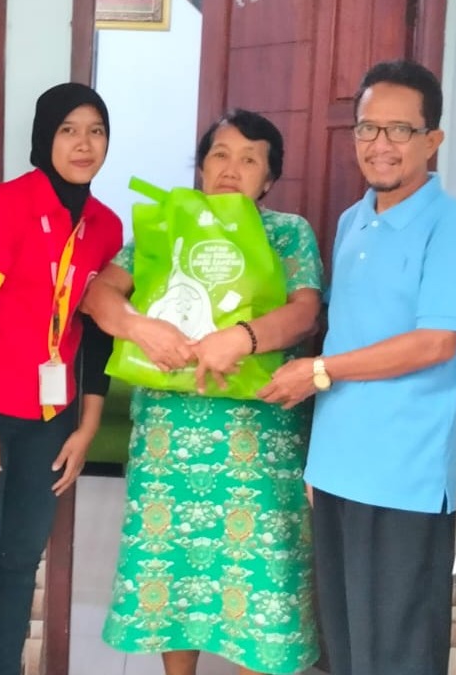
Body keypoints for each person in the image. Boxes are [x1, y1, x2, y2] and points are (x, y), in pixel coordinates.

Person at [260, 60, 456, 675]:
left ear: (432, 140)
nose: (380, 144)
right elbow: (347, 330)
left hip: (404, 478)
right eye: (367, 128)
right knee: (344, 648)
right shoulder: (351, 221)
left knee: (397, 654)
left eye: (399, 130)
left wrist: (318, 371)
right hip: (337, 471)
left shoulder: (455, 226)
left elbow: (435, 343)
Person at [82, 109, 323, 675]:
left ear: (269, 178)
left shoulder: (287, 233)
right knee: (173, 575)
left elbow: (305, 313)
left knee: (262, 585)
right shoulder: (168, 225)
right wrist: (140, 327)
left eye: (249, 160)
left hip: (257, 446)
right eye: (220, 155)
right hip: (168, 443)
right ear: (201, 167)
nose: (231, 169)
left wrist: (244, 338)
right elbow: (99, 295)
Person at [0, 82, 123, 675]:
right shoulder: (3, 206)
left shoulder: (106, 227)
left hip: (49, 422)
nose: (84, 144)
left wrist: (87, 428)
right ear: (44, 138)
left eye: (96, 131)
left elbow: (98, 333)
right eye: (69, 130)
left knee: (19, 564)